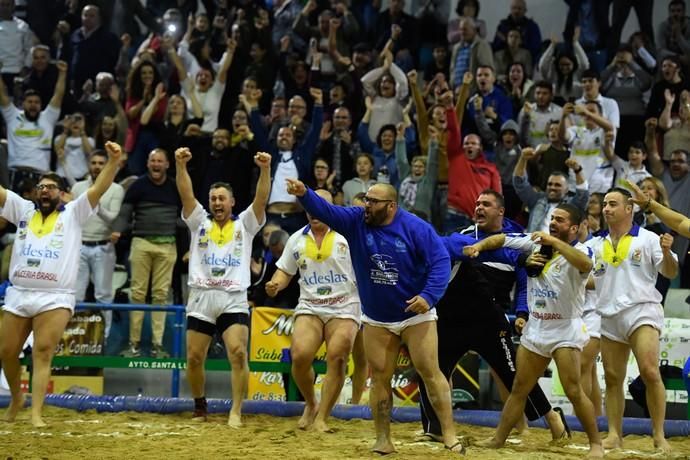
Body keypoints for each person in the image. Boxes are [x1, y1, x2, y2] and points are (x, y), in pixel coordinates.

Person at [284, 179, 464, 455]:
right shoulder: (357, 220)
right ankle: (383, 439)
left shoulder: (415, 227)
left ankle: (450, 434)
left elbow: (440, 261)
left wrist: (428, 296)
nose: (366, 205)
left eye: (372, 201)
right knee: (380, 378)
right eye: (366, 199)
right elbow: (327, 211)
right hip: (377, 317)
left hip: (416, 313)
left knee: (430, 372)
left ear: (390, 206)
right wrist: (304, 194)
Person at [418, 189, 568, 443]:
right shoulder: (464, 235)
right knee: (430, 369)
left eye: (486, 204)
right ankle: (434, 428)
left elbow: (524, 283)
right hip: (452, 317)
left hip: (490, 320)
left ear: (500, 211)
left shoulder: (517, 240)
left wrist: (522, 312)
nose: (479, 208)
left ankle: (553, 418)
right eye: (477, 203)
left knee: (515, 376)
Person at [465, 204, 604, 459]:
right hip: (537, 327)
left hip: (565, 329)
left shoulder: (581, 249)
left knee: (573, 390)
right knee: (519, 387)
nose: (553, 223)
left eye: (560, 220)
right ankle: (498, 438)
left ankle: (596, 444)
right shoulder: (534, 243)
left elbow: (584, 264)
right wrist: (479, 247)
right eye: (552, 218)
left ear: (573, 228)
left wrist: (553, 241)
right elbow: (501, 239)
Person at [0, 141, 122, 427]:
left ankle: (36, 413)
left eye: (52, 187)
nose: (45, 191)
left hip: (56, 297)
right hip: (19, 294)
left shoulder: (74, 213)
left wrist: (114, 162)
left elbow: (98, 188)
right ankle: (17, 397)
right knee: (6, 352)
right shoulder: (23, 209)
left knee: (43, 351)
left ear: (63, 193)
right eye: (42, 187)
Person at [174, 147, 271, 427]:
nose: (217, 203)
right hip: (202, 297)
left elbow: (262, 198)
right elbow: (186, 195)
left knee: (238, 353)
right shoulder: (198, 222)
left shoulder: (246, 225)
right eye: (213, 198)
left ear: (232, 202)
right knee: (193, 357)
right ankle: (200, 406)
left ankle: (236, 411)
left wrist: (265, 169)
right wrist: (181, 166)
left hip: (233, 298)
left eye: (222, 199)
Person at [265, 189, 360, 432]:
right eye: (311, 206)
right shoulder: (296, 238)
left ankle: (322, 418)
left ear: (332, 209)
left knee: (338, 356)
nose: (315, 211)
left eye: (321, 206)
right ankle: (311, 403)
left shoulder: (349, 236)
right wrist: (276, 283)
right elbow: (285, 271)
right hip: (310, 305)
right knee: (299, 356)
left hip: (345, 305)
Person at [591, 187, 678, 452]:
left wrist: (665, 252)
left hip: (642, 311)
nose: (606, 208)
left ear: (629, 209)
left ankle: (659, 435)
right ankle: (615, 434)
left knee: (650, 371)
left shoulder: (648, 238)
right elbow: (589, 279)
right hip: (610, 315)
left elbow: (671, 272)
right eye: (605, 203)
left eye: (613, 204)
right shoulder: (596, 243)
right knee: (613, 377)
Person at [72, 150, 125, 341]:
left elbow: (112, 217)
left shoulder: (117, 189)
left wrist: (95, 203)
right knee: (76, 295)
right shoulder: (78, 187)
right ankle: (74, 337)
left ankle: (103, 338)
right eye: (93, 162)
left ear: (107, 166)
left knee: (103, 295)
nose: (96, 166)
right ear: (88, 165)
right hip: (79, 246)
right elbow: (73, 216)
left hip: (103, 247)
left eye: (101, 163)